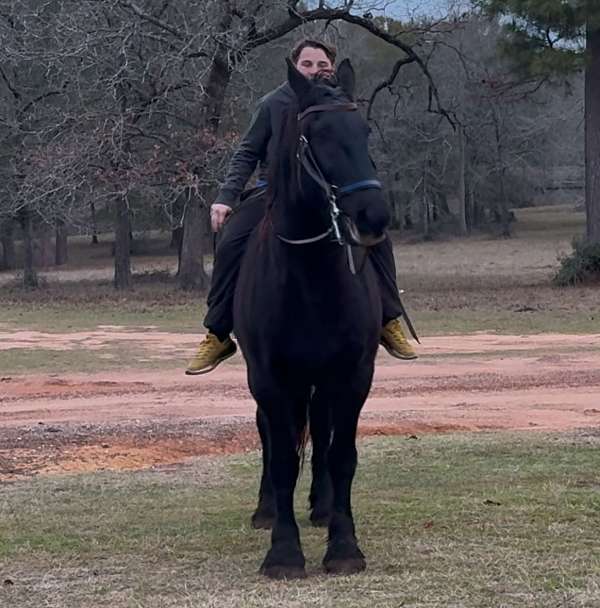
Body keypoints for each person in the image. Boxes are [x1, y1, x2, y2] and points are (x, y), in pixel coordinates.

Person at [186, 39, 417, 375]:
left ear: (332, 68)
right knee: (232, 238)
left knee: (376, 236)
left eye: (322, 64)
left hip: (332, 194)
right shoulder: (273, 103)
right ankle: (218, 331)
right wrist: (225, 197)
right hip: (274, 193)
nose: (315, 70)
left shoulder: (341, 102)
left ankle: (387, 318)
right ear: (295, 68)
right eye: (307, 64)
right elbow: (247, 152)